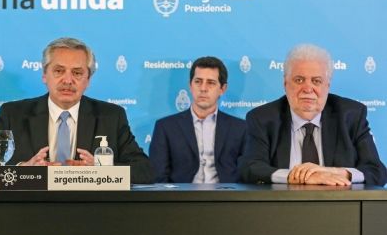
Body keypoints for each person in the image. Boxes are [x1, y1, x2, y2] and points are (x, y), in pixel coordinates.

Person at [0, 37, 153, 184]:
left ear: (88, 80)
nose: (67, 80)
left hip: (92, 213)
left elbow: (145, 170)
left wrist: (102, 170)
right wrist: (22, 169)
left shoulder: (111, 116)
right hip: (29, 212)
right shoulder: (14, 114)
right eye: (59, 71)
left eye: (77, 73)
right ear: (44, 75)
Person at [240, 44, 387, 186]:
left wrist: (339, 173)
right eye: (299, 80)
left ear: (327, 86)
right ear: (285, 83)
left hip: (340, 207)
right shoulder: (262, 118)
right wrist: (296, 176)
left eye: (316, 81)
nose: (308, 88)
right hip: (282, 207)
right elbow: (250, 168)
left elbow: (376, 171)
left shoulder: (351, 115)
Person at [149, 56, 245, 183]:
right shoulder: (165, 127)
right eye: (198, 81)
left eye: (211, 83)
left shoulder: (240, 128)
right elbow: (158, 176)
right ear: (190, 85)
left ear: (222, 89)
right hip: (181, 199)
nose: (203, 88)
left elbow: (246, 174)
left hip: (226, 199)